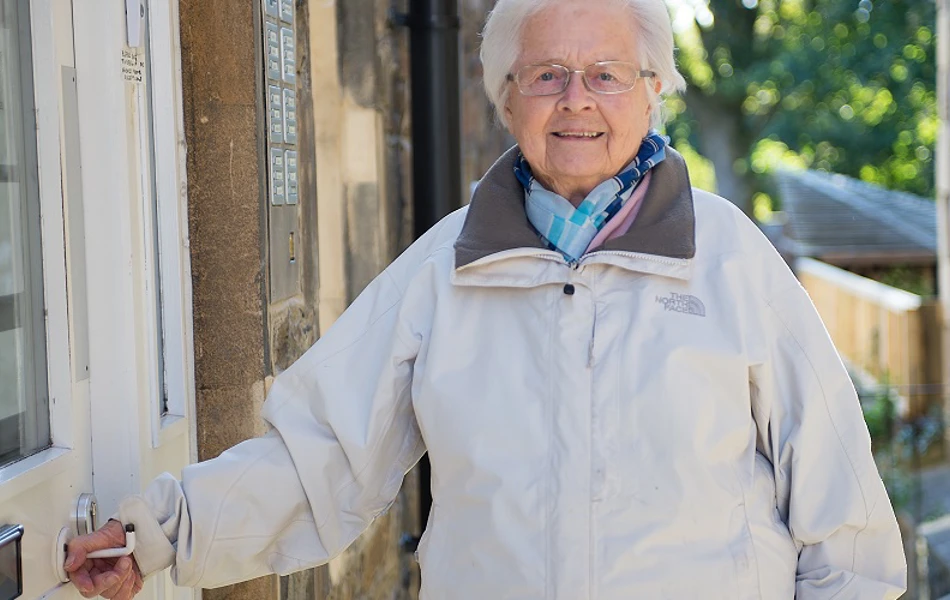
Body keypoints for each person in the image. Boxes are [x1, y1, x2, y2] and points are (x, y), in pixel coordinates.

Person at [66, 0, 907, 598]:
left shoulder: (730, 260)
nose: (576, 98)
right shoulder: (444, 269)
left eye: (607, 73)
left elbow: (843, 514)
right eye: (546, 74)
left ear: (654, 90)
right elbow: (321, 457)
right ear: (506, 98)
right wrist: (161, 533)